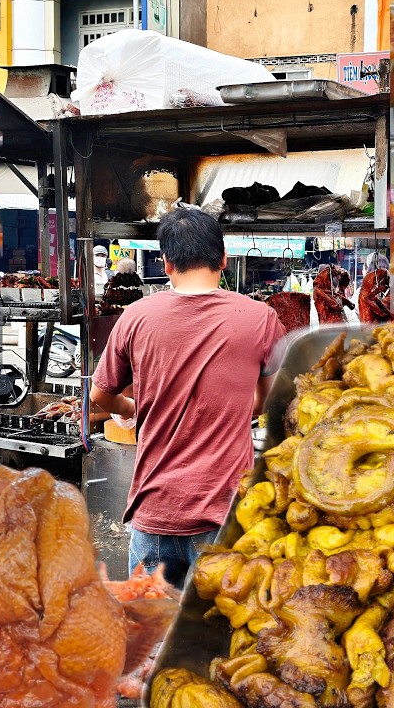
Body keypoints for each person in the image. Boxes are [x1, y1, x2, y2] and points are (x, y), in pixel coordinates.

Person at [89, 209, 285, 588]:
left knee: (150, 635)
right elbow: (267, 403)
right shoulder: (260, 317)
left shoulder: (135, 316)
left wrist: (133, 411)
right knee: (214, 639)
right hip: (223, 514)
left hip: (154, 513)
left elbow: (100, 395)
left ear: (165, 263)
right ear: (223, 257)